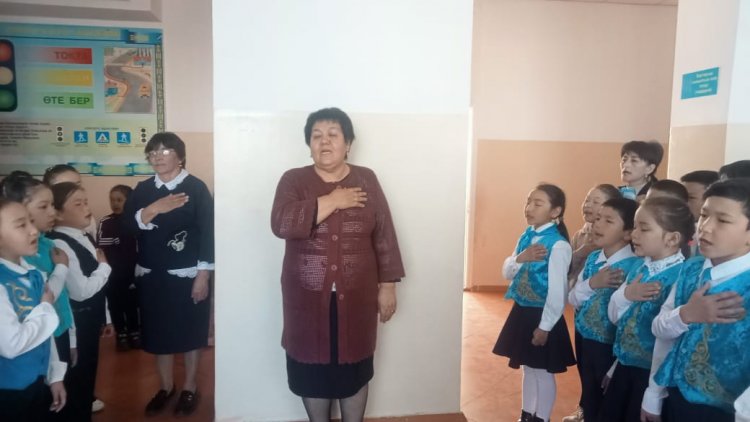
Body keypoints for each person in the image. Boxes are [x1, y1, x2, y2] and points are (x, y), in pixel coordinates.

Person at [271, 107, 404, 422]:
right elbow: (281, 223)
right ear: (309, 145)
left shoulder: (366, 179)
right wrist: (333, 200)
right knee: (311, 371)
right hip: (306, 300)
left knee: (354, 367)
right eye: (316, 136)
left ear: (349, 143)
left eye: (333, 134)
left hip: (357, 298)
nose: (324, 141)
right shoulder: (293, 179)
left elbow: (384, 234)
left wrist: (387, 286)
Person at [122, 132, 214, 417]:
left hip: (186, 275)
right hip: (152, 274)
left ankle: (189, 387)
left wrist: (203, 276)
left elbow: (208, 233)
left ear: (180, 156)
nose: (157, 157)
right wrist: (152, 210)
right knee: (158, 333)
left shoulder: (195, 188)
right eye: (152, 152)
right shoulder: (143, 189)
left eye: (164, 151)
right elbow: (127, 228)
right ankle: (166, 387)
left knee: (189, 332)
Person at [652, 179, 750, 422]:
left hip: (724, 412)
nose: (705, 228)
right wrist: (686, 314)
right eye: (704, 215)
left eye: (723, 220)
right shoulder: (692, 269)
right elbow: (660, 330)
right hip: (675, 397)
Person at [599, 197, 694, 422]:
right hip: (625, 367)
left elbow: (670, 344)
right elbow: (616, 318)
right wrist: (627, 294)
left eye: (644, 228)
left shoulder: (681, 276)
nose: (634, 234)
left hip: (651, 377)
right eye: (634, 226)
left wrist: (655, 394)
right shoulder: (640, 268)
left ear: (672, 238)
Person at [492, 183, 576, 422]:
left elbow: (558, 292)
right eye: (528, 202)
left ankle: (542, 417)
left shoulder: (558, 245)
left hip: (543, 316)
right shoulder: (526, 236)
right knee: (528, 367)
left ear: (555, 211)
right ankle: (527, 414)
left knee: (542, 371)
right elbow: (507, 273)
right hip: (522, 312)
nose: (529, 208)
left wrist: (545, 326)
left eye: (538, 204)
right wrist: (521, 258)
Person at [567, 197, 639, 421]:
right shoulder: (593, 260)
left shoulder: (634, 266)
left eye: (608, 220)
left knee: (609, 405)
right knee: (590, 397)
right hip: (586, 341)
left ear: (628, 233)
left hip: (612, 349)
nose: (597, 224)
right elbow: (573, 298)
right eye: (598, 218)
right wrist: (592, 283)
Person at [43, 165, 106, 414]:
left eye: (85, 201)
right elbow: (79, 291)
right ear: (56, 211)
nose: (86, 208)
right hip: (76, 322)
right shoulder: (59, 242)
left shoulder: (84, 233)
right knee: (77, 380)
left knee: (88, 374)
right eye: (78, 203)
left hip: (89, 319)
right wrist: (105, 268)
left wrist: (106, 316)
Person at [0, 198, 67, 421]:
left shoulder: (34, 274)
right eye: (21, 225)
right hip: (8, 391)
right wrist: (46, 307)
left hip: (36, 380)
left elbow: (45, 332)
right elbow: (11, 345)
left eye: (30, 221)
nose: (34, 231)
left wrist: (54, 375)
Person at [563, 184, 620, 422]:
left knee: (604, 375)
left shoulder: (623, 255)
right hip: (581, 310)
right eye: (587, 199)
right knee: (585, 366)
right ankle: (586, 408)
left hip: (606, 325)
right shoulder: (582, 236)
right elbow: (568, 274)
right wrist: (583, 251)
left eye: (596, 201)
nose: (588, 205)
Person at [97, 185, 140, 352]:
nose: (115, 203)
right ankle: (121, 334)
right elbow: (102, 247)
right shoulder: (106, 222)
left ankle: (135, 333)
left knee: (132, 304)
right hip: (113, 274)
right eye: (112, 200)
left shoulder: (136, 221)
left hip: (132, 272)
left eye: (119, 200)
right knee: (116, 305)